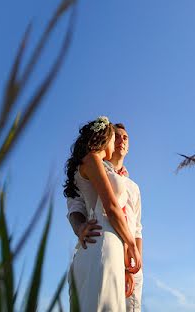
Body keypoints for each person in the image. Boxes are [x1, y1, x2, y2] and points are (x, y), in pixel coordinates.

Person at [65, 117, 141, 312]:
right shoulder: (92, 162)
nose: (120, 140)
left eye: (125, 137)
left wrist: (132, 262)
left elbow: (138, 228)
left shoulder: (132, 187)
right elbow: (109, 208)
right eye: (115, 136)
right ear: (106, 138)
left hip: (121, 253)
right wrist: (81, 227)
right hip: (102, 242)